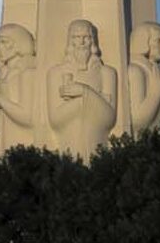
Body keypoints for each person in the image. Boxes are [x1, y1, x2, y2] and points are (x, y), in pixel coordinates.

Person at [47, 19, 117, 161]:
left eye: (86, 37)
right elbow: (55, 118)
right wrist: (96, 100)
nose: (82, 42)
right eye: (76, 37)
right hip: (67, 148)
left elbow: (109, 117)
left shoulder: (107, 73)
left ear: (92, 41)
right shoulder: (56, 73)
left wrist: (84, 92)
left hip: (99, 148)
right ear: (70, 41)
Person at [0, 24, 40, 156]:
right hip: (5, 148)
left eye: (3, 42)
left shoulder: (28, 74)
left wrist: (2, 102)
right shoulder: (4, 78)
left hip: (25, 150)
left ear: (18, 44)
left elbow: (30, 117)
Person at [127, 21, 160, 135]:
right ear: (143, 43)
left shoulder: (158, 71)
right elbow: (137, 120)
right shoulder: (136, 71)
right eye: (158, 41)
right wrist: (156, 92)